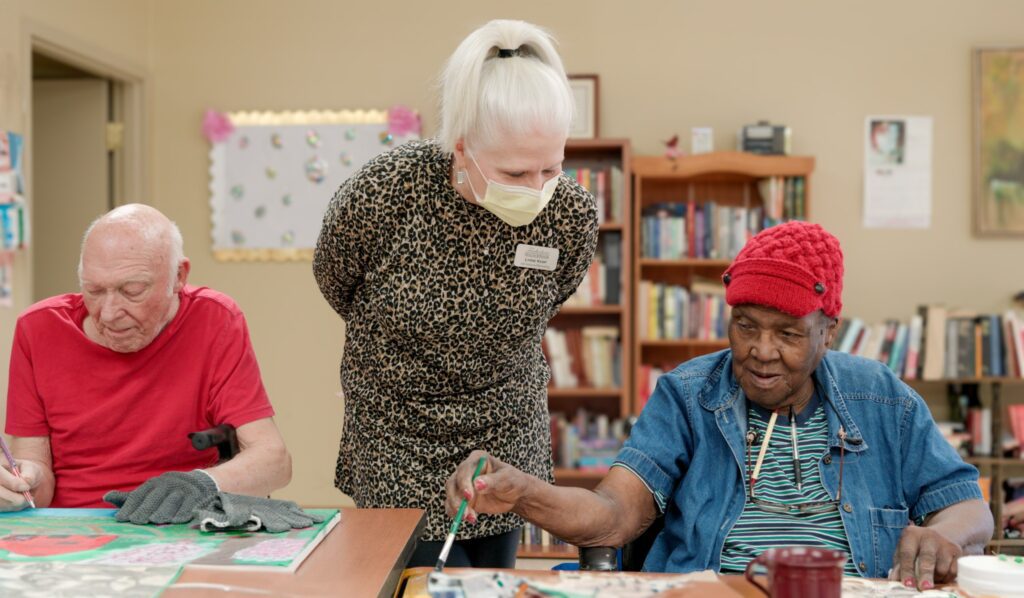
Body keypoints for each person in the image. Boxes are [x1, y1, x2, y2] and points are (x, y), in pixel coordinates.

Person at [446, 221, 993, 589]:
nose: (761, 351)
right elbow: (612, 518)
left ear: (830, 331)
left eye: (788, 334)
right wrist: (524, 493)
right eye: (745, 326)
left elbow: (970, 507)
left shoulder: (881, 397)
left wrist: (942, 535)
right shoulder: (687, 395)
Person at [313, 19, 597, 568]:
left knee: (489, 581)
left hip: (504, 429)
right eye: (515, 171)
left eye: (552, 168)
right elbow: (337, 282)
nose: (538, 189)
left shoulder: (571, 215)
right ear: (461, 149)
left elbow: (550, 300)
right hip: (396, 429)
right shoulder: (385, 192)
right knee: (416, 582)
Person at [2, 204, 291, 523]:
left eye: (132, 291)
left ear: (179, 276)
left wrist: (200, 483)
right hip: (74, 528)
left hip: (179, 522)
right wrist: (24, 482)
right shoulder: (38, 329)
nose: (109, 313)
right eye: (94, 290)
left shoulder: (215, 320)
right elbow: (37, 485)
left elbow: (274, 462)